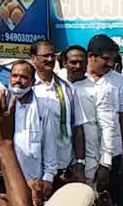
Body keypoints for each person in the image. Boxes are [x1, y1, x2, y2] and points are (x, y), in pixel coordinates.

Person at [85, 34, 123, 205]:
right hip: (81, 153)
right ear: (91, 56)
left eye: (112, 60)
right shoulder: (75, 78)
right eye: (105, 59)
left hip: (113, 153)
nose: (109, 64)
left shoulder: (118, 80)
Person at [30, 39, 88, 182]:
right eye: (45, 56)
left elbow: (78, 128)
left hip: (62, 166)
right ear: (33, 58)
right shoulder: (26, 87)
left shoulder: (68, 89)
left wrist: (80, 163)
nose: (50, 59)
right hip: (32, 166)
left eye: (52, 56)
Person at [62, 45, 115, 185]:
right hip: (61, 161)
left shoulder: (98, 89)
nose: (78, 66)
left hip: (90, 163)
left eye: (82, 62)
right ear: (64, 63)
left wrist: (105, 163)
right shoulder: (58, 87)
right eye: (73, 62)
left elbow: (107, 127)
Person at [7, 60, 58, 198]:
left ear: (32, 81)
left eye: (24, 77)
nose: (18, 80)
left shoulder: (43, 108)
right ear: (9, 78)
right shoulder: (0, 104)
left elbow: (49, 145)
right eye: (15, 76)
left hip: (34, 181)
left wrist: (48, 177)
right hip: (4, 177)